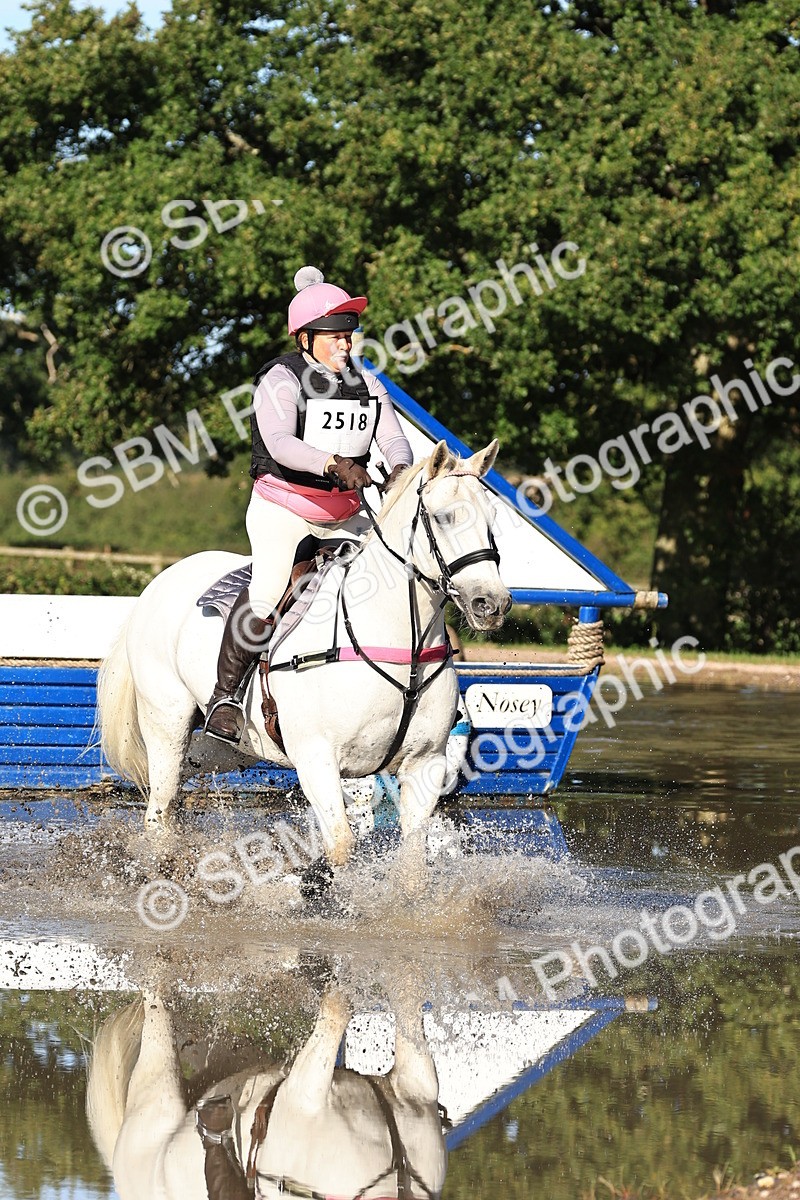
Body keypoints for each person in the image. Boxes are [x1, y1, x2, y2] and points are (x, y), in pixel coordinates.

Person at [204, 265, 413, 743]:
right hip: (285, 506)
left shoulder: (367, 381)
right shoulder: (281, 379)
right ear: (305, 337)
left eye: (350, 334)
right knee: (269, 589)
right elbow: (278, 443)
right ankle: (225, 698)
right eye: (335, 335)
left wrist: (400, 470)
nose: (346, 343)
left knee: (400, 574)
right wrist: (334, 463)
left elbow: (394, 439)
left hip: (344, 514)